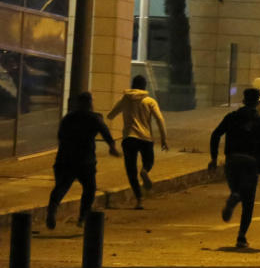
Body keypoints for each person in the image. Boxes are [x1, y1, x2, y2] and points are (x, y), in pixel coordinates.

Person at [46, 92, 121, 229]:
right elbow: (105, 132)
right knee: (90, 188)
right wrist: (112, 147)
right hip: (85, 160)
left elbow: (60, 136)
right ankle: (83, 217)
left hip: (65, 158)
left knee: (61, 187)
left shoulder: (68, 118)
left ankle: (53, 208)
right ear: (89, 103)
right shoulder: (94, 118)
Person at [209, 88, 260, 249]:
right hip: (250, 161)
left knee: (236, 188)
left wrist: (214, 158)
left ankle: (234, 194)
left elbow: (215, 135)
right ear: (257, 102)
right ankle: (241, 237)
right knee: (248, 202)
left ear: (243, 100)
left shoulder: (232, 117)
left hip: (232, 159)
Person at [107, 75, 169, 210]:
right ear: (144, 86)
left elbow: (111, 115)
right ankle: (145, 170)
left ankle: (139, 200)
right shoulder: (149, 101)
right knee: (149, 161)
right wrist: (164, 138)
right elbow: (160, 119)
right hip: (145, 138)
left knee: (131, 171)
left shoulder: (125, 99)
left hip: (129, 138)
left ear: (132, 85)